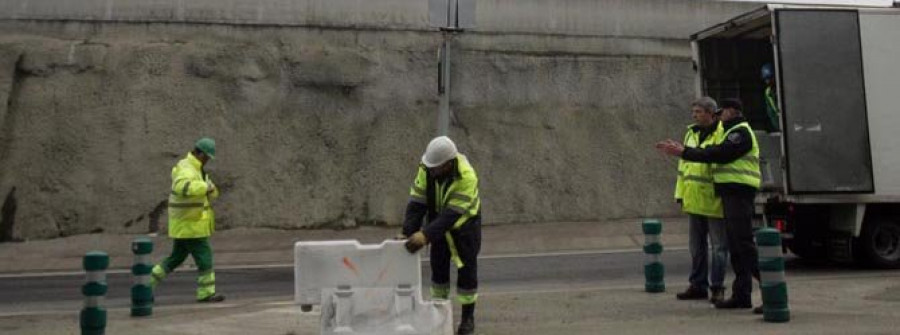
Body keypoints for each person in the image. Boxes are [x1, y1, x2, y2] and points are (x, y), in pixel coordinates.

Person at [657, 98, 761, 310]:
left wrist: (684, 152)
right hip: (727, 194)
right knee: (736, 249)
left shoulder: (739, 132)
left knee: (743, 246)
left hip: (738, 194)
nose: (719, 116)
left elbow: (719, 154)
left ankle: (771, 291)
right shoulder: (727, 131)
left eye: (721, 112)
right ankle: (742, 295)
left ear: (731, 111)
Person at [400, 136, 481, 335]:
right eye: (431, 168)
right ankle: (439, 316)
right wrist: (408, 232)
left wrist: (425, 235)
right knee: (438, 270)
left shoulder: (466, 177)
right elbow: (417, 202)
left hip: (464, 227)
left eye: (437, 168)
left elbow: (451, 216)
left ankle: (467, 319)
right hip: (437, 223)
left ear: (449, 164)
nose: (432, 171)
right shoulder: (427, 168)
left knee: (467, 272)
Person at [150, 137, 225, 303]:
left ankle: (146, 285)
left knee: (176, 258)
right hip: (191, 226)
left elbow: (212, 191)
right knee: (205, 258)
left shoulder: (197, 169)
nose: (207, 161)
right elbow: (181, 187)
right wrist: (205, 187)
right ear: (198, 153)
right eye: (206, 157)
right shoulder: (187, 169)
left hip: (187, 224)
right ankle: (206, 292)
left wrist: (210, 189)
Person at [673, 97, 729, 304]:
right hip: (694, 199)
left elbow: (716, 158)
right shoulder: (691, 133)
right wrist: (680, 194)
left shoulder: (722, 133)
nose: (694, 115)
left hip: (714, 200)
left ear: (710, 113)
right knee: (696, 247)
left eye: (698, 111)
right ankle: (698, 285)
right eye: (693, 111)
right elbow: (683, 168)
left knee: (719, 248)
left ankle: (717, 287)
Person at [762, 63, 780, 132]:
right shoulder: (768, 92)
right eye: (766, 79)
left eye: (770, 78)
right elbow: (771, 112)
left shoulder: (783, 87)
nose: (768, 81)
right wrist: (778, 127)